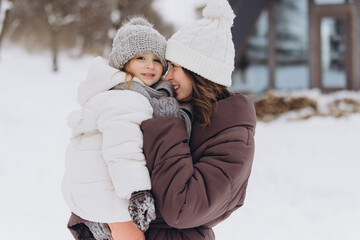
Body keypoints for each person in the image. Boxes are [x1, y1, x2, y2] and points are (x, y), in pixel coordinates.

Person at [62, 17, 192, 240]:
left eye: (156, 60)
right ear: (123, 62)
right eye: (140, 57)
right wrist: (137, 191)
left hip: (97, 191)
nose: (150, 65)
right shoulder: (126, 97)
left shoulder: (121, 92)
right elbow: (123, 148)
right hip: (110, 197)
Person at [139, 0, 256, 239]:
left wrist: (167, 125)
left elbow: (180, 209)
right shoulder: (177, 110)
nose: (167, 76)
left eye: (175, 67)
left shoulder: (234, 138)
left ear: (200, 73)